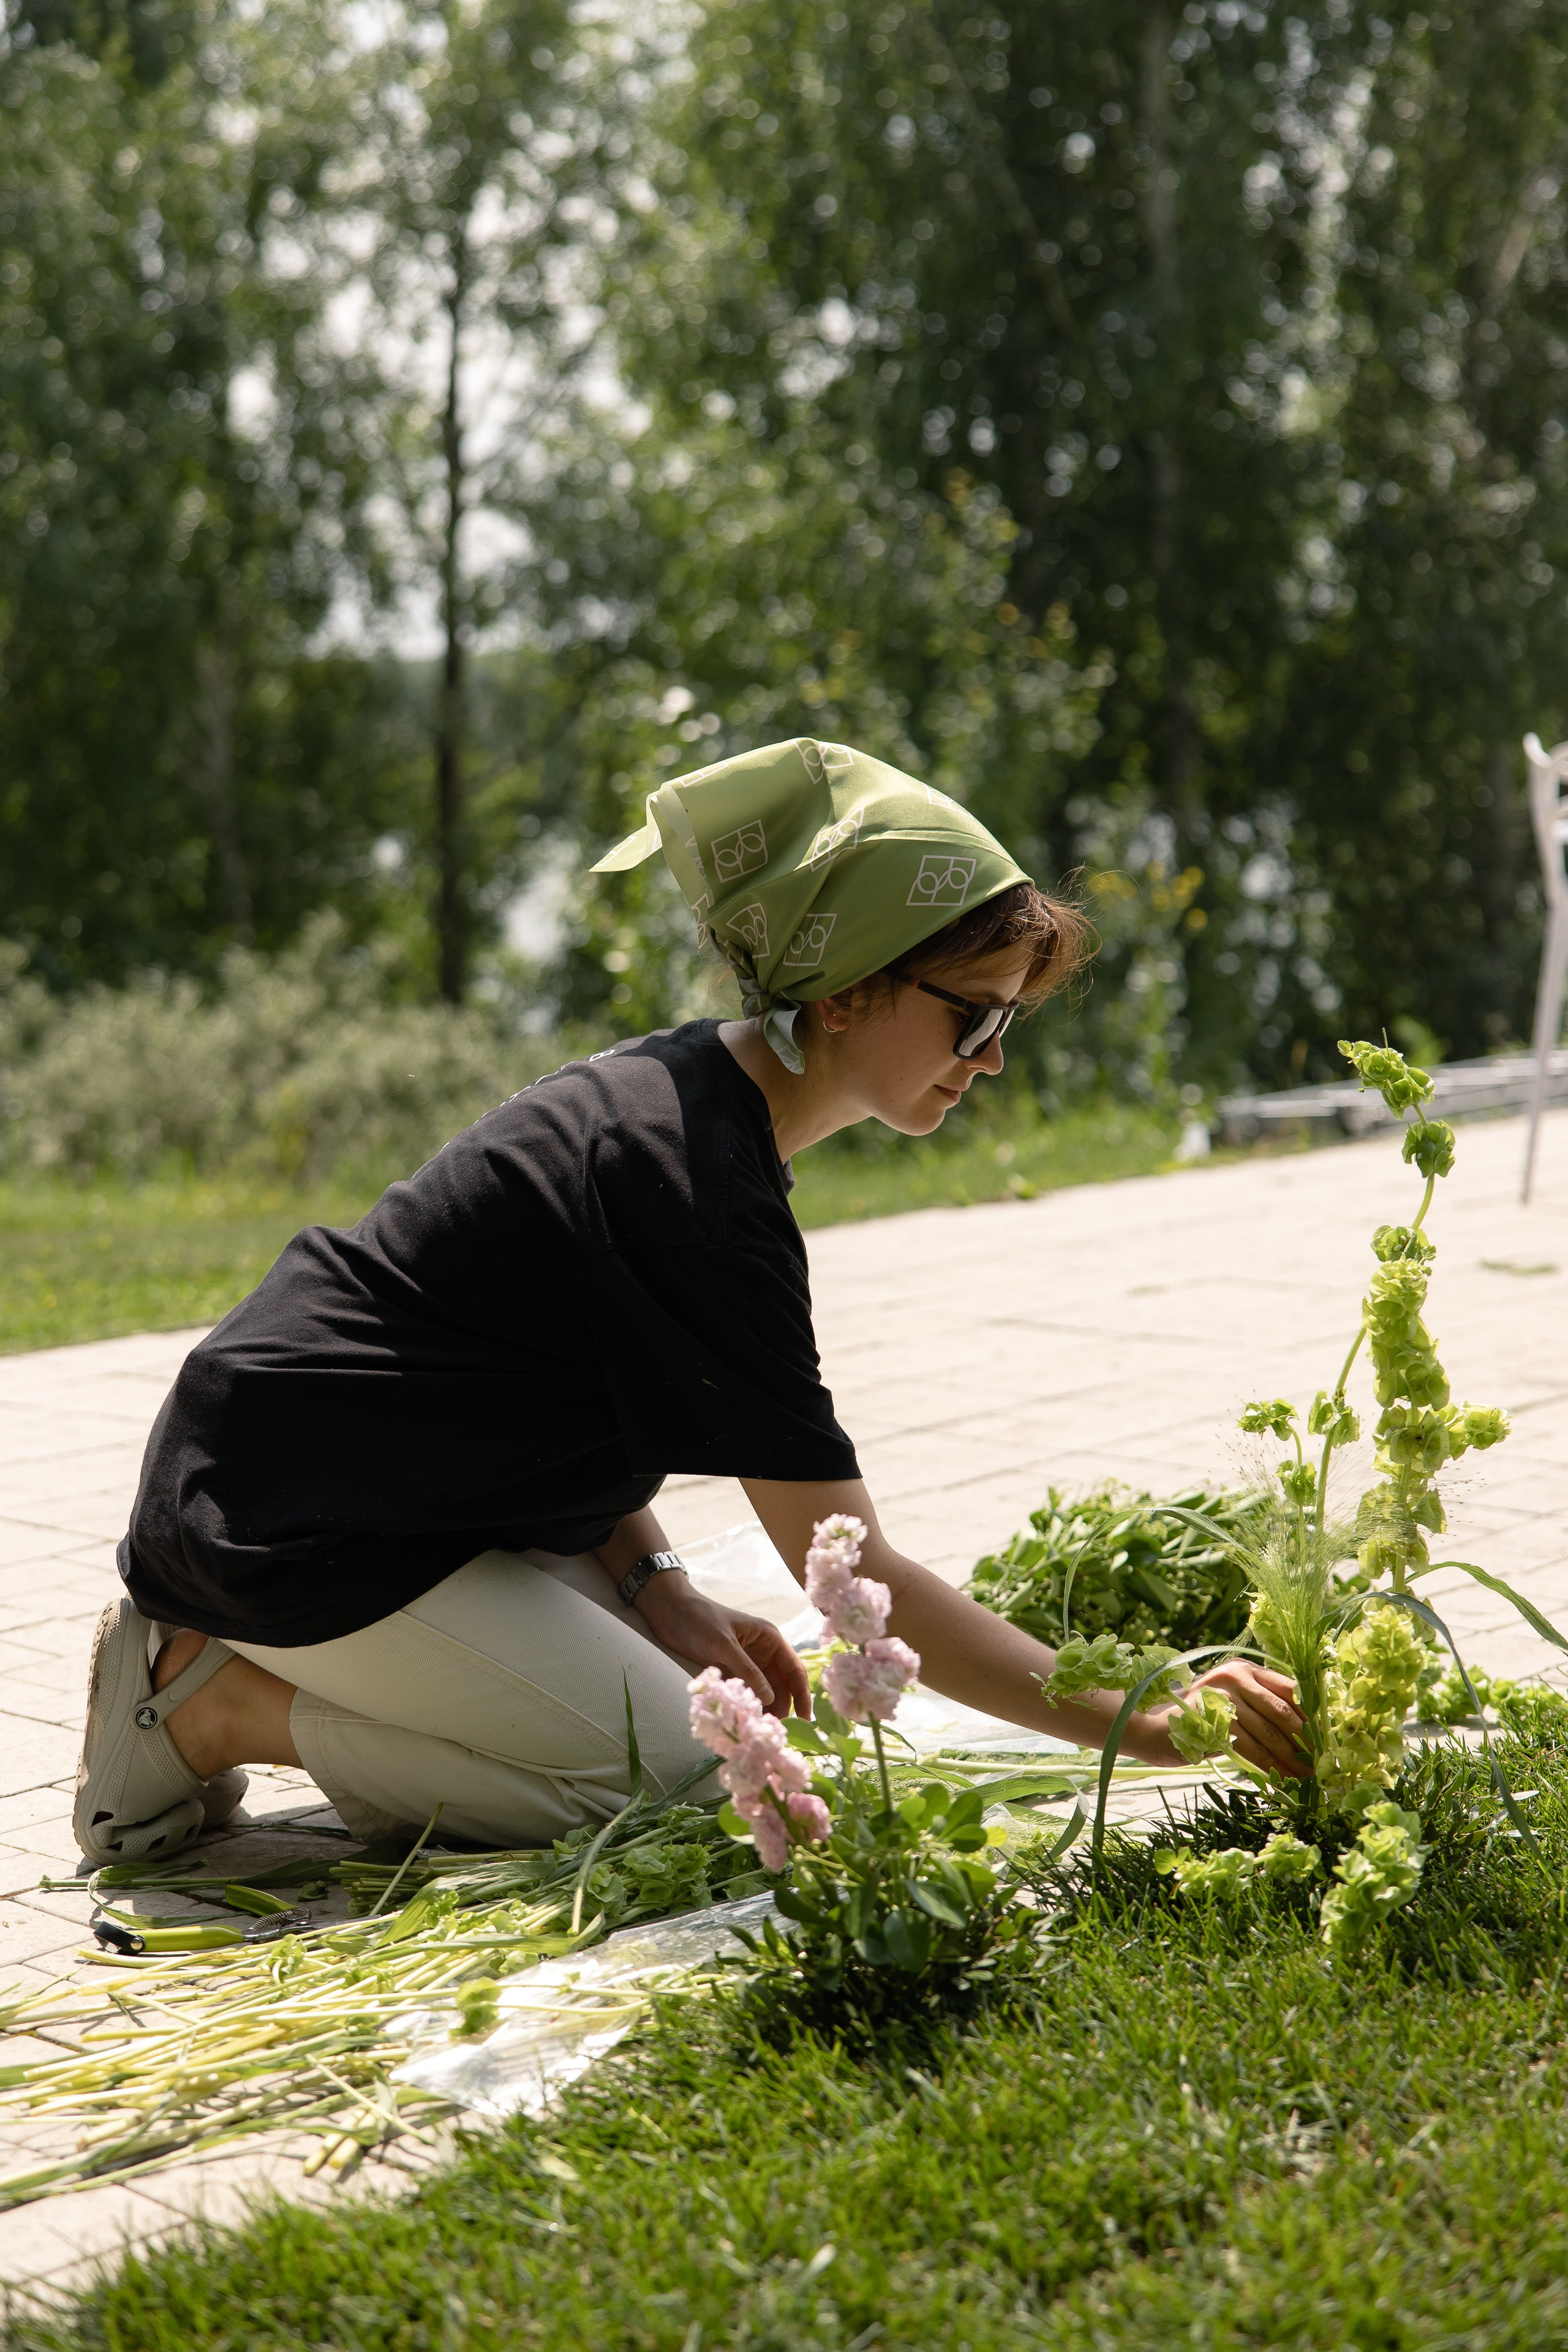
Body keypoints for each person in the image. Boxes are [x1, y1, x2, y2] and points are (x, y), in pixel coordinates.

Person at [75, 736, 1305, 1865]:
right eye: (973, 1015)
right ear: (843, 989)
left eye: (1008, 1022)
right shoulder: (694, 1183)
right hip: (285, 1524)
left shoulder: (687, 1102)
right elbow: (859, 1574)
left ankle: (237, 1676)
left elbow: (555, 1386)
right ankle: (215, 1702)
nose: (989, 1057)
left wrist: (659, 1592)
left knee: (710, 1732)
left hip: (367, 1488)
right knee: (700, 1783)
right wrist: (1145, 1722)